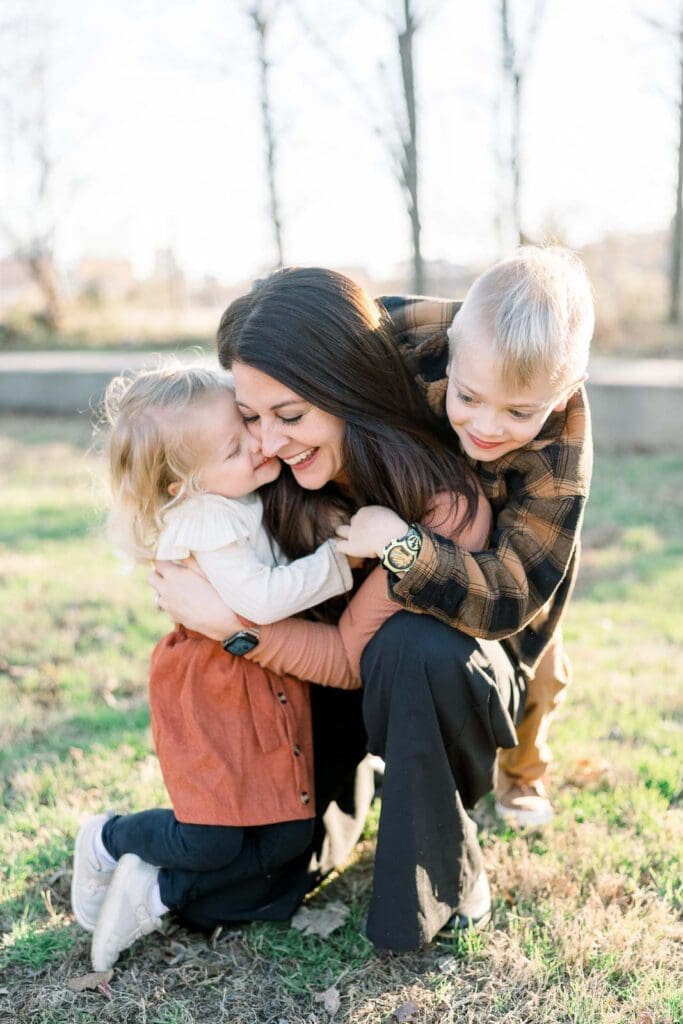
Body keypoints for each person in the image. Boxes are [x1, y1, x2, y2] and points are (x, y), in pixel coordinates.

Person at [149, 266, 533, 954]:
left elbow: (350, 659)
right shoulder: (265, 475)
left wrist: (227, 625)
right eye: (250, 418)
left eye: (289, 416)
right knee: (243, 894)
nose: (266, 442)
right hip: (312, 701)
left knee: (412, 648)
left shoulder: (444, 504)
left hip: (430, 686)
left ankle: (444, 836)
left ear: (347, 391)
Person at [71, 363, 360, 970]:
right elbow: (257, 600)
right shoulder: (203, 519)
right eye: (236, 445)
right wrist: (339, 560)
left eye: (247, 426)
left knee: (286, 833)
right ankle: (109, 838)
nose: (259, 444)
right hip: (213, 688)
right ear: (183, 485)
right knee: (211, 836)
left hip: (271, 684)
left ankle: (153, 890)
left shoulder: (240, 492)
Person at [336, 246, 595, 827]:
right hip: (425, 503)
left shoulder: (561, 463)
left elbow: (509, 594)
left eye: (519, 413)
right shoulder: (414, 331)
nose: (486, 426)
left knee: (540, 668)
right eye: (468, 397)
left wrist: (403, 547)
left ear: (566, 390)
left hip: (516, 562)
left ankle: (524, 772)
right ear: (452, 345)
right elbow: (328, 335)